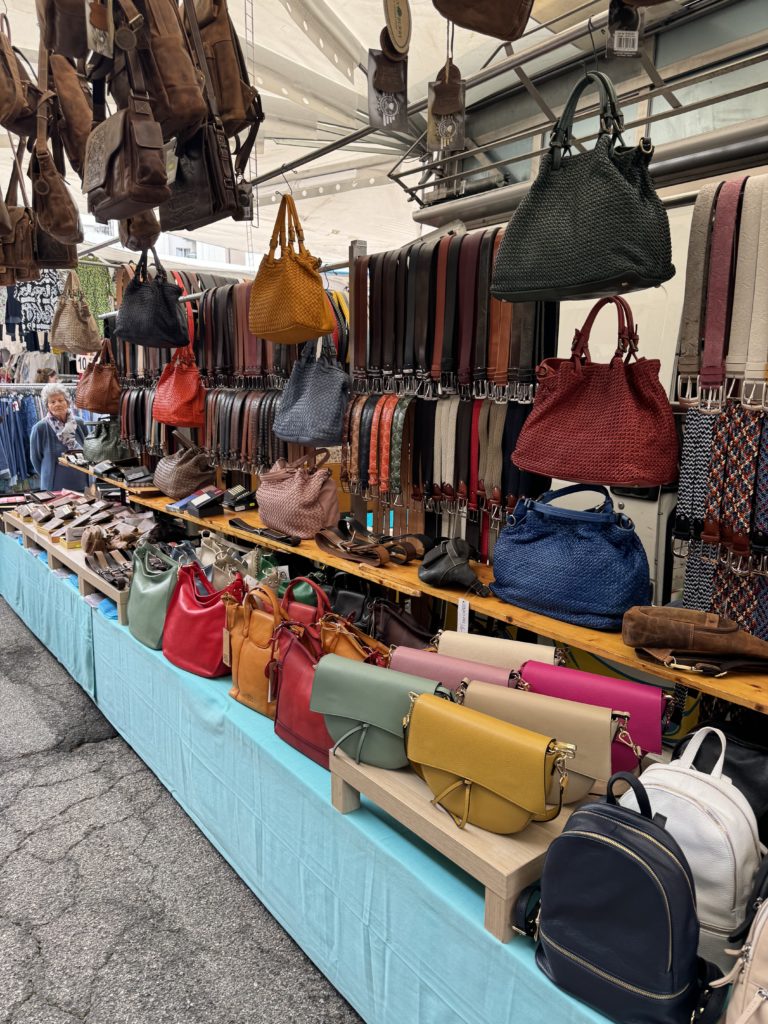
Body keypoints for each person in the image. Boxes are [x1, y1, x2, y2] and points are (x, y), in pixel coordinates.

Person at [29, 383, 87, 491]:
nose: (57, 404)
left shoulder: (79, 423)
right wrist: (47, 472)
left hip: (82, 484)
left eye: (61, 400)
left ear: (67, 402)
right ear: (47, 406)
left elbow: (88, 451)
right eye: (52, 402)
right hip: (54, 487)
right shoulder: (40, 428)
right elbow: (36, 459)